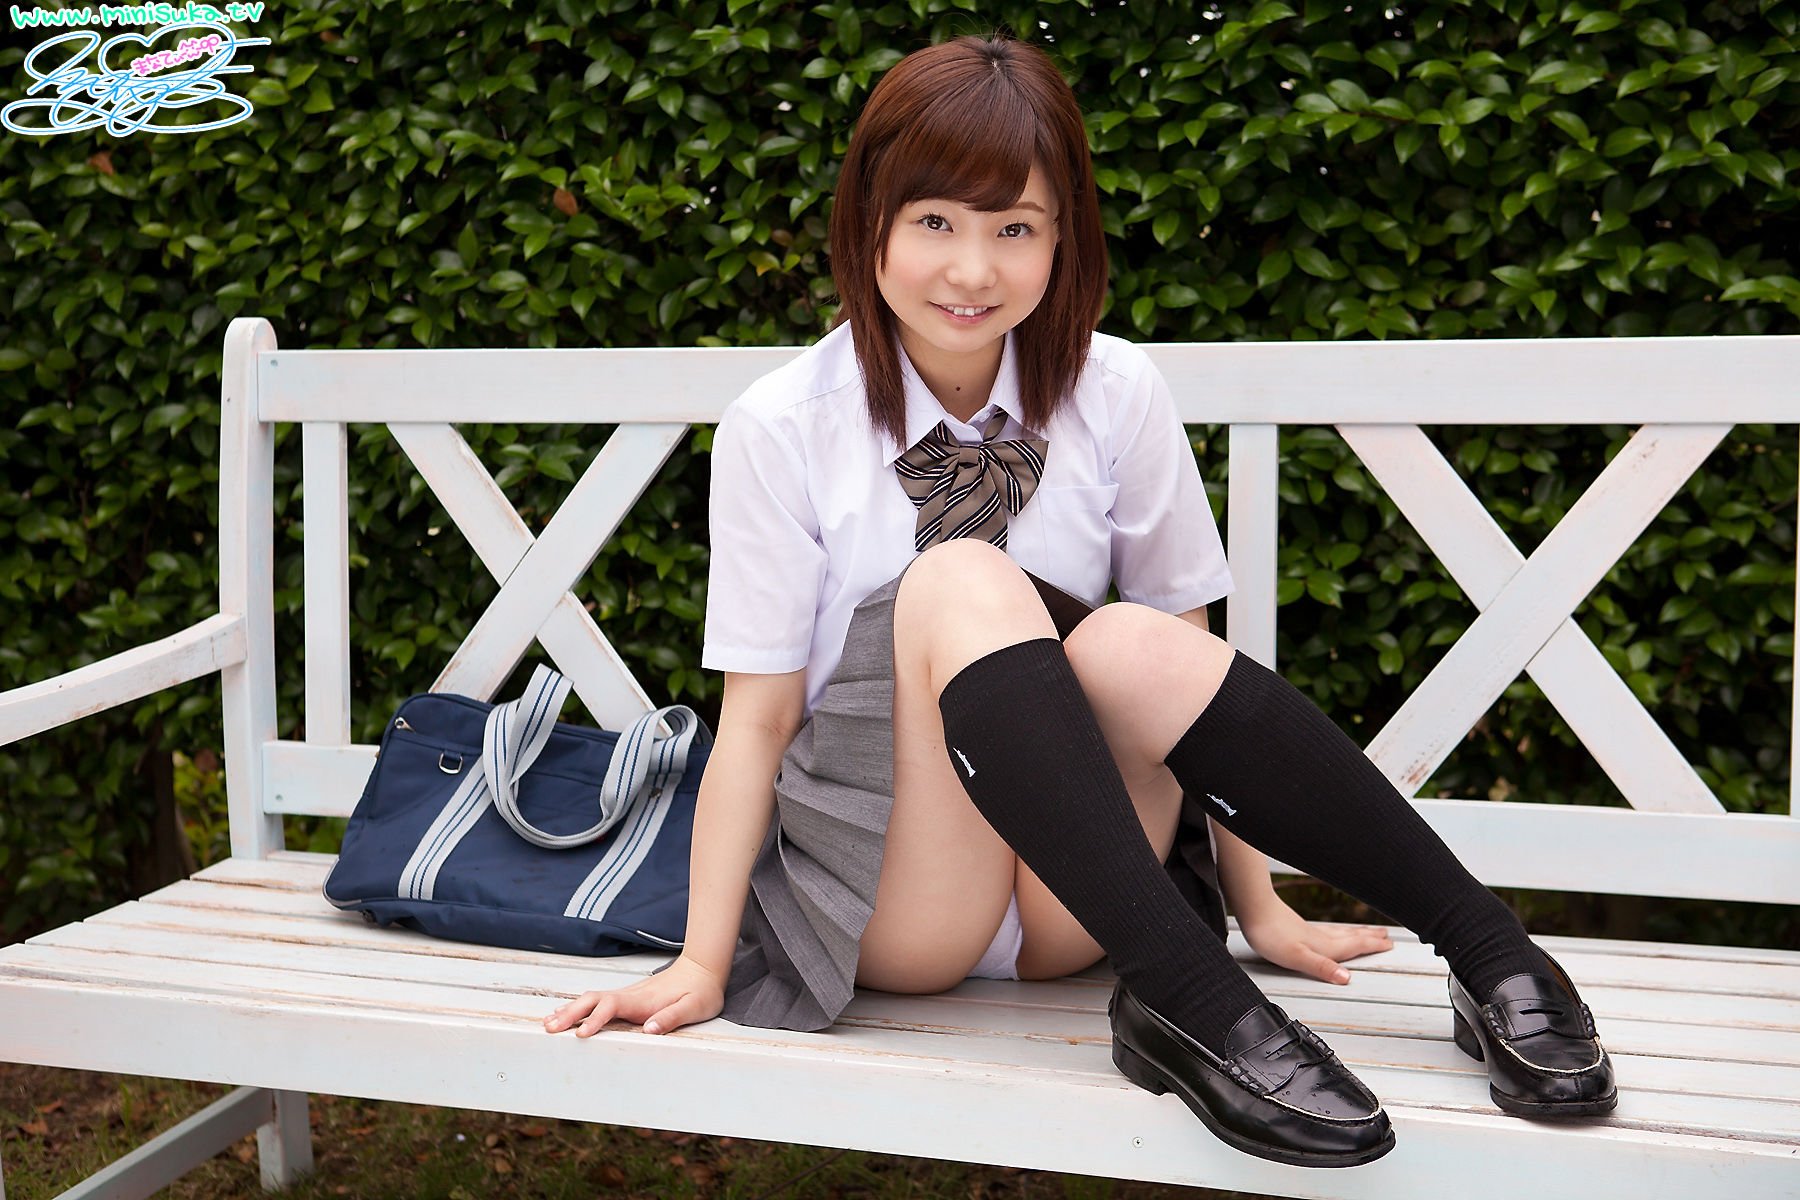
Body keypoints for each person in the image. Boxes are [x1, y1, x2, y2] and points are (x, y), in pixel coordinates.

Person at [545, 32, 1617, 1168]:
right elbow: (757, 721)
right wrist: (704, 962)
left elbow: (1193, 693)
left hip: (1083, 903)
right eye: (935, 223)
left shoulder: (1115, 390)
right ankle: (1198, 1006)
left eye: (1014, 228)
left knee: (1132, 641)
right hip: (905, 901)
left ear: (1065, 237)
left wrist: (1259, 907)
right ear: (870, 225)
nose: (972, 271)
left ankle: (1489, 949)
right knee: (961, 573)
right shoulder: (782, 424)